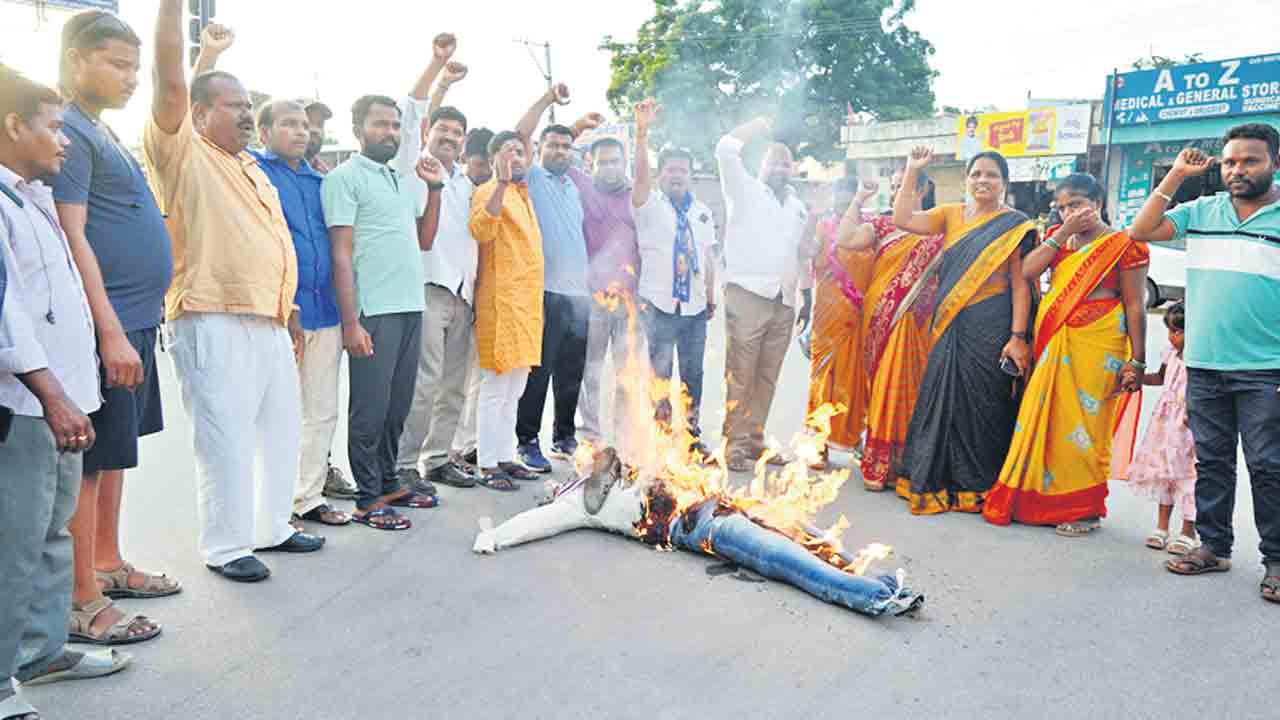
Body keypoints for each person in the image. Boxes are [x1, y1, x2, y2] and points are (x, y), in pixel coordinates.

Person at [143, 0, 323, 582]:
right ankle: (225, 546)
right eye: (234, 106)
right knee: (224, 436)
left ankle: (270, 527)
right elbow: (170, 83)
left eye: (249, 106)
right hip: (210, 316)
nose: (247, 115)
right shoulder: (183, 154)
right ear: (198, 115)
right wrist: (182, 23)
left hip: (268, 319)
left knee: (280, 429)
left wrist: (288, 309)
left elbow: (267, 246)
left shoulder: (248, 166)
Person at [0, 64, 130, 720]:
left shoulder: (32, 198)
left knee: (52, 532)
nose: (65, 138)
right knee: (13, 544)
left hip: (61, 403)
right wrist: (52, 394)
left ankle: (40, 651)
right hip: (26, 406)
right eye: (52, 126)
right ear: (12, 125)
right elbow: (6, 317)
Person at [51, 9, 177, 648]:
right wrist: (108, 331)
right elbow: (72, 234)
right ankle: (81, 597)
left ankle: (107, 561)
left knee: (116, 453)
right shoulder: (70, 133)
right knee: (89, 461)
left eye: (135, 67)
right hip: (111, 324)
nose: (131, 78)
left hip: (137, 319)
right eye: (118, 64)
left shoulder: (100, 130)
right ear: (77, 59)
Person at [473, 448, 923, 618]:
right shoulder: (578, 505)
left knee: (808, 534)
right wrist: (495, 536)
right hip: (703, 525)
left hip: (721, 501)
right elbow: (538, 521)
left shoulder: (620, 468)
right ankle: (873, 598)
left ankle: (881, 581)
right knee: (783, 557)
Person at [1129, 123, 1280, 605]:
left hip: (1266, 369)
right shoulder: (1203, 211)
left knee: (1268, 466)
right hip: (1204, 364)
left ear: (1274, 163)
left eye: (1250, 160)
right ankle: (1214, 547)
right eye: (1231, 161)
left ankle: (1276, 560)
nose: (1238, 170)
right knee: (1211, 462)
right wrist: (1175, 176)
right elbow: (1141, 230)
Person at [983, 173, 1149, 536]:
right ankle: (1041, 501)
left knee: (1085, 426)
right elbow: (1028, 271)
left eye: (1076, 204)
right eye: (1061, 207)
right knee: (1049, 420)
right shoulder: (1059, 239)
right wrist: (1061, 233)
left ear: (1098, 203)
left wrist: (1137, 360)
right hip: (1055, 337)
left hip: (1100, 341)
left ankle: (1083, 509)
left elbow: (1136, 304)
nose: (1068, 212)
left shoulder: (1124, 244)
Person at [891, 148, 1037, 515]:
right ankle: (935, 480)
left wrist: (1018, 337)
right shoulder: (950, 214)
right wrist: (912, 170)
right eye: (976, 174)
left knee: (983, 406)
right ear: (966, 180)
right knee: (939, 400)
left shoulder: (1015, 225)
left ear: (1004, 183)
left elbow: (1021, 284)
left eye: (991, 175)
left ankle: (975, 486)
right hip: (949, 324)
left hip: (992, 324)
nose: (982, 181)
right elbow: (902, 218)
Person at [323, 93, 445, 529]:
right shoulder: (343, 179)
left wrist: (435, 188)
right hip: (373, 310)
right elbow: (341, 253)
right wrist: (351, 323)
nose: (390, 132)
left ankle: (390, 481)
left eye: (394, 125)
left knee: (398, 405)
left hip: (411, 305)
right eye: (380, 124)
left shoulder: (400, 179)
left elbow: (424, 239)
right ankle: (368, 497)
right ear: (358, 130)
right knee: (370, 408)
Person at [395, 35, 485, 492]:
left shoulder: (466, 184)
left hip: (463, 297)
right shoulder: (416, 168)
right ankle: (404, 464)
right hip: (429, 292)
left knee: (453, 386)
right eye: (442, 131)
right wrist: (440, 76)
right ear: (429, 133)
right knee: (424, 384)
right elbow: (414, 113)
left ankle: (436, 460)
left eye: (456, 135)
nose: (448, 139)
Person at [716, 118, 810, 472]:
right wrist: (755, 125)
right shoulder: (744, 190)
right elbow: (725, 150)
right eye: (774, 162)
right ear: (761, 165)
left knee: (767, 377)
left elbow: (800, 254)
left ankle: (755, 441)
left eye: (786, 163)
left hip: (783, 302)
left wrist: (804, 295)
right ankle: (734, 446)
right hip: (747, 296)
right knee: (741, 375)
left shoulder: (797, 207)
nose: (781, 169)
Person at [631, 99, 716, 456]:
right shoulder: (649, 205)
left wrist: (710, 294)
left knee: (693, 375)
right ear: (660, 175)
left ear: (691, 175)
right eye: (670, 170)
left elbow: (707, 255)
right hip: (659, 305)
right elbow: (639, 177)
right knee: (660, 375)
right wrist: (642, 134)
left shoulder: (702, 212)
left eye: (683, 169)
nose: (677, 175)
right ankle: (661, 437)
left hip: (694, 308)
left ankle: (692, 435)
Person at [514, 84, 590, 473]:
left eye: (566, 146)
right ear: (538, 150)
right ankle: (527, 440)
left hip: (579, 296)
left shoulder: (573, 185)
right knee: (538, 372)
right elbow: (521, 133)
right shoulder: (532, 178)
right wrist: (546, 100)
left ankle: (564, 436)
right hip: (544, 292)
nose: (560, 151)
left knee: (570, 372)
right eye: (553, 146)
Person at [468, 130, 545, 489]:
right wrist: (499, 182)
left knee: (515, 388)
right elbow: (482, 230)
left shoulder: (523, 195)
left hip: (527, 306)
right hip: (500, 302)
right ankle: (487, 464)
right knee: (496, 386)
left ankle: (504, 457)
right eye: (508, 151)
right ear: (494, 159)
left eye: (520, 151)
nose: (517, 156)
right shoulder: (489, 190)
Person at [858, 170, 942, 492]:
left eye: (902, 186)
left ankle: (905, 463)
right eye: (893, 187)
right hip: (882, 315)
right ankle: (879, 460)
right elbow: (847, 239)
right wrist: (858, 199)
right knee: (884, 385)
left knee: (911, 388)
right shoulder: (882, 224)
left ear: (922, 189)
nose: (896, 193)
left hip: (919, 321)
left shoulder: (939, 227)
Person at [572, 127, 645, 455]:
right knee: (589, 372)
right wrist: (578, 128)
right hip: (593, 300)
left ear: (624, 162)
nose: (609, 167)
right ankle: (590, 436)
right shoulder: (582, 187)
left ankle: (623, 439)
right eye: (603, 162)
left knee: (626, 374)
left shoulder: (637, 195)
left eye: (615, 161)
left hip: (630, 301)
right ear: (591, 164)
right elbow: (551, 151)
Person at [805, 177, 880, 467]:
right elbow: (808, 257)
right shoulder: (823, 227)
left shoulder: (870, 230)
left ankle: (854, 438)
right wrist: (811, 218)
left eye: (849, 200)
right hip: (829, 313)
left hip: (860, 314)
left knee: (857, 379)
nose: (842, 205)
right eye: (839, 200)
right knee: (824, 378)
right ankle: (818, 443)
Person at [1129, 303, 1200, 555]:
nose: (1172, 337)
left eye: (1178, 331)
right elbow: (1160, 378)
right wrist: (1138, 379)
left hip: (1188, 425)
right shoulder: (1170, 354)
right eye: (1170, 330)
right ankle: (1162, 527)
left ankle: (1188, 532)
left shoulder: (1199, 360)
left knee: (1188, 476)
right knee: (1164, 473)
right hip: (1165, 424)